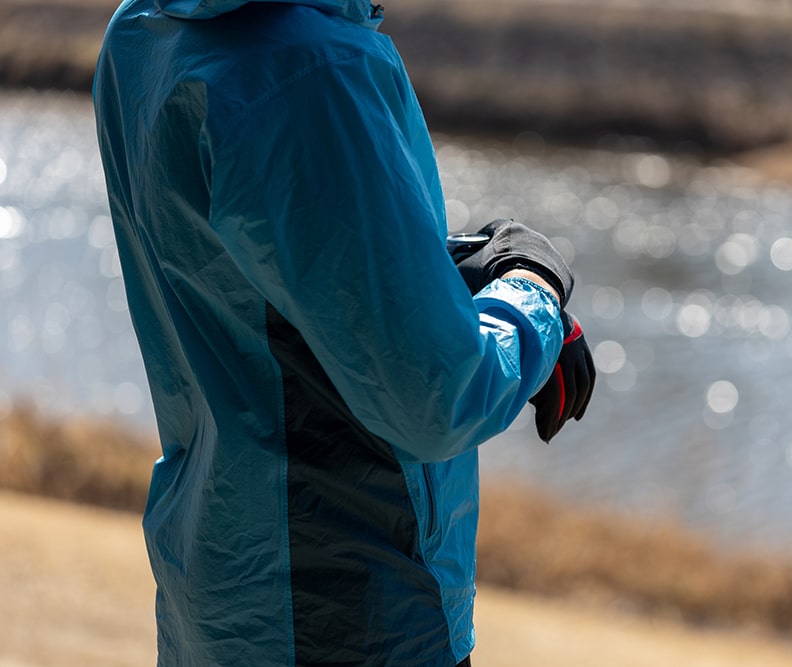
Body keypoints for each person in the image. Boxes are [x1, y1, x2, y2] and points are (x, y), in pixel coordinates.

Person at [92, 1, 595, 665]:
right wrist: (533, 286)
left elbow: (264, 262)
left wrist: (445, 266)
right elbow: (437, 396)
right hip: (348, 610)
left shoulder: (144, 29)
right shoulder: (308, 67)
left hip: (216, 587)